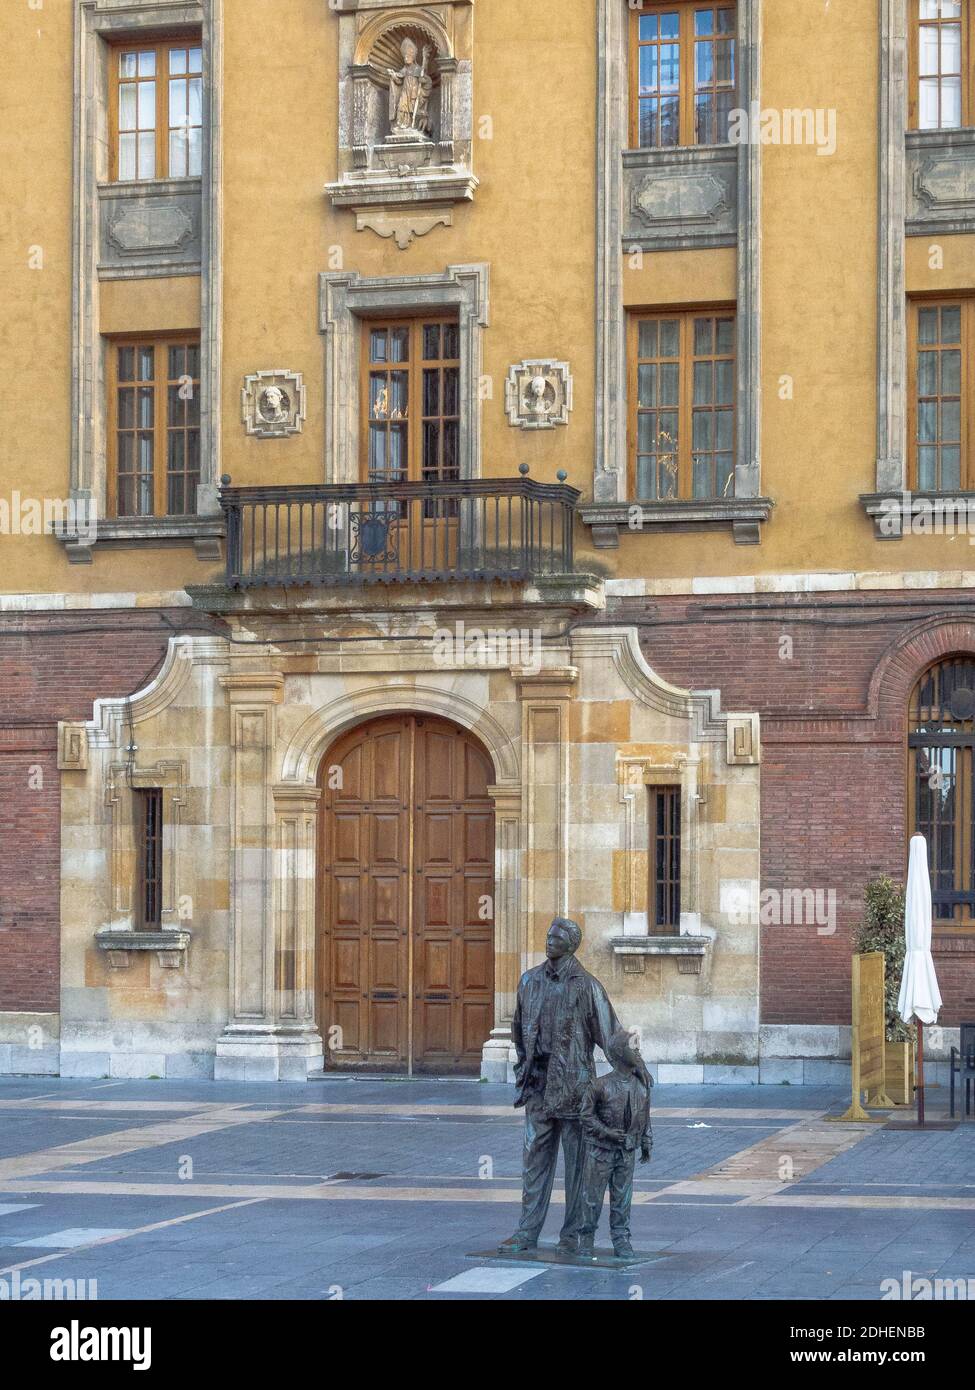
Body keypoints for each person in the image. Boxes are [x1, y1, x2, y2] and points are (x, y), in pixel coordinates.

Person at [498, 917, 620, 1255]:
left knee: (577, 1167)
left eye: (556, 937)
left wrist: (632, 1072)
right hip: (537, 1086)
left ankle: (574, 1235)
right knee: (533, 1162)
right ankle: (526, 1233)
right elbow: (519, 1030)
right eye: (549, 935)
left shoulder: (587, 986)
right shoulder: (529, 982)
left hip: (574, 1088)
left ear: (571, 944)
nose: (549, 940)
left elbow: (611, 1036)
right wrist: (524, 1069)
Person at [577, 1027, 654, 1260]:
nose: (638, 1050)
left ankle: (621, 1239)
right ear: (620, 1052)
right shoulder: (600, 1085)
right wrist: (608, 1133)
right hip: (600, 1151)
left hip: (627, 1150)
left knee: (622, 1198)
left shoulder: (641, 1086)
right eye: (633, 1046)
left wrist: (646, 1141)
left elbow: (645, 1115)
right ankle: (586, 1238)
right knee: (592, 1196)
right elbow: (586, 1116)